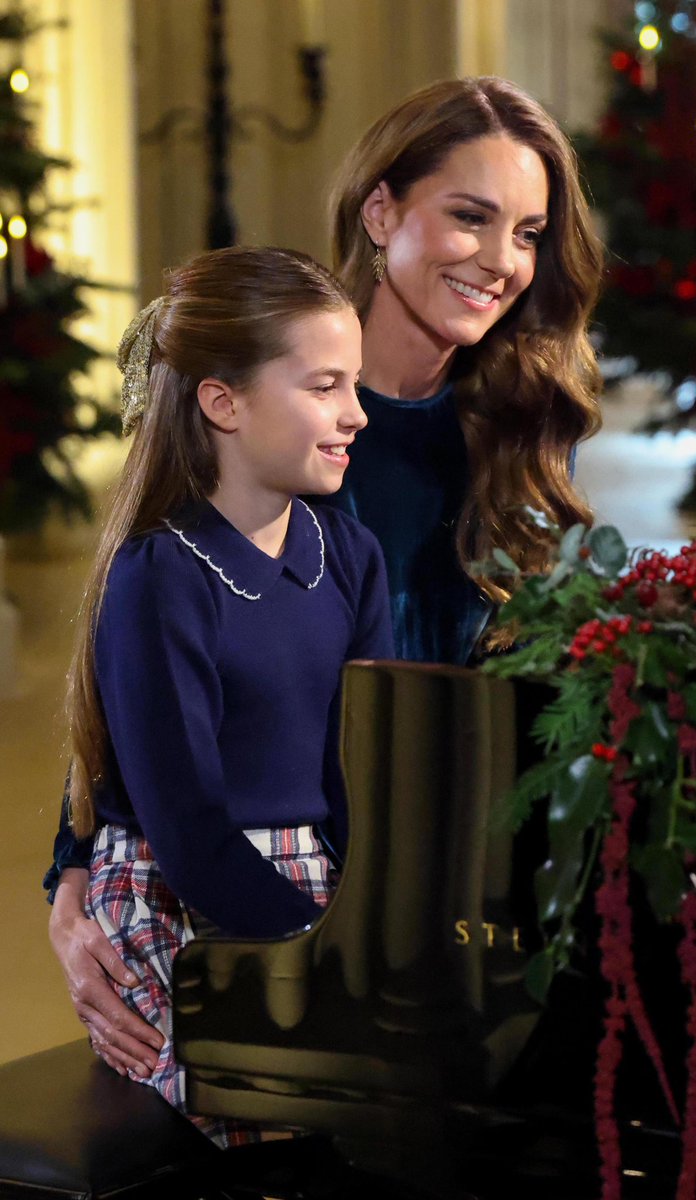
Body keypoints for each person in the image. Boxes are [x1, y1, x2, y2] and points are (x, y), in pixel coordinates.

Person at [46, 76, 604, 1085]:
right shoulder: (262, 401)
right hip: (295, 883)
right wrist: (73, 867)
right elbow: (152, 659)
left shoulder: (517, 424)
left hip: (440, 863)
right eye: (468, 217)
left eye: (527, 232)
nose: (502, 261)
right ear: (381, 209)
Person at [62, 245, 393, 1145]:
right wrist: (324, 957)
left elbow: (366, 777)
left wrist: (376, 929)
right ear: (223, 402)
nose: (355, 413)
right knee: (272, 1124)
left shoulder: (352, 558)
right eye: (325, 385)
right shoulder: (162, 574)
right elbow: (190, 830)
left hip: (318, 891)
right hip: (183, 900)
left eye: (353, 384)